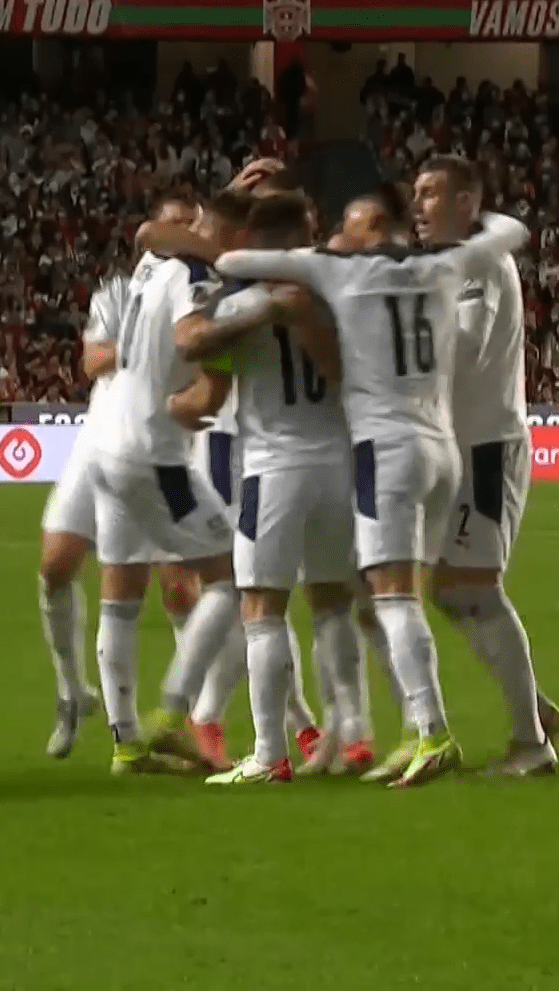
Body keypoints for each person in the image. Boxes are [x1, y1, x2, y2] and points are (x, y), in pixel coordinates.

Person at [212, 196, 531, 787]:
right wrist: (473, 219)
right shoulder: (443, 264)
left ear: (377, 227)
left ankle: (431, 731)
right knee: (397, 600)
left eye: (349, 225)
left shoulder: (338, 269)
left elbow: (232, 260)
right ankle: (417, 731)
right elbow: (513, 230)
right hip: (441, 450)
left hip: (384, 452)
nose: (338, 234)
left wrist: (305, 258)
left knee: (392, 601)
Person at [171, 192, 368, 784]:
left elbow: (192, 345)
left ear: (258, 243)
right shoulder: (340, 295)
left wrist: (260, 313)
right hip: (338, 465)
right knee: (331, 605)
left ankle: (268, 755)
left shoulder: (241, 300)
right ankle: (352, 737)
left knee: (261, 608)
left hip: (273, 468)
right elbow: (346, 374)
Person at [410, 156, 559, 779]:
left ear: (465, 201)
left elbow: (467, 344)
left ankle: (531, 744)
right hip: (460, 447)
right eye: (416, 192)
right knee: (448, 592)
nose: (418, 205)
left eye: (431, 192)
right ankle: (533, 707)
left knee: (475, 588)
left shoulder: (479, 263)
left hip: (486, 448)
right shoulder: (454, 261)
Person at [86, 191, 252, 774]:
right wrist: (230, 344)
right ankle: (172, 713)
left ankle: (126, 744)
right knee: (229, 575)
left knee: (120, 593)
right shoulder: (200, 276)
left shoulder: (153, 264)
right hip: (154, 453)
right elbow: (189, 337)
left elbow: (153, 233)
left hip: (108, 444)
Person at [35, 194, 202, 761]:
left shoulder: (195, 290)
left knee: (179, 586)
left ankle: (189, 717)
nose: (177, 234)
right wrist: (146, 341)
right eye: (170, 224)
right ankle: (72, 694)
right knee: (56, 566)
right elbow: (92, 361)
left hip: (163, 443)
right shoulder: (119, 290)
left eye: (188, 226)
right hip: (98, 442)